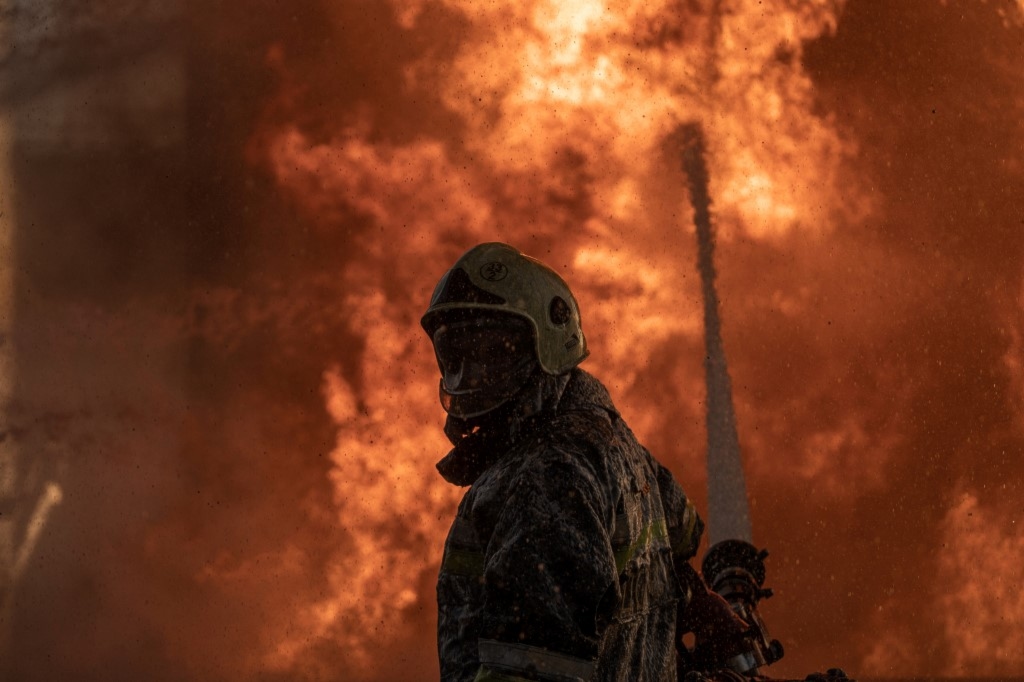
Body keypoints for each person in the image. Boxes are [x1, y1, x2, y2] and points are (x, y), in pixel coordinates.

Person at [422, 242, 750, 682]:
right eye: (458, 359)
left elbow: (536, 668)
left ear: (550, 341)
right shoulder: (605, 435)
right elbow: (674, 538)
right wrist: (696, 600)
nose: (473, 379)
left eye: (493, 353)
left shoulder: (544, 478)